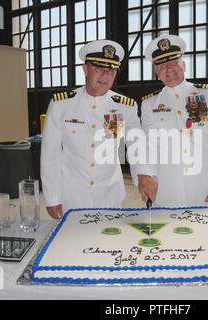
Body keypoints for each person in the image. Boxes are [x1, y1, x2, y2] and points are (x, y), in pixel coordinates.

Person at [41, 40, 157, 219]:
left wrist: (143, 173)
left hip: (110, 196)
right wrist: (52, 196)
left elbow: (136, 142)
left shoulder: (125, 106)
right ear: (85, 69)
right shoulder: (61, 104)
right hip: (72, 196)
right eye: (98, 68)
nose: (105, 75)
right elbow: (51, 154)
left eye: (111, 70)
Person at [141, 34, 208, 207]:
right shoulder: (149, 104)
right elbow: (148, 146)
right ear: (156, 72)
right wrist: (146, 176)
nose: (169, 69)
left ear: (184, 64)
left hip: (204, 188)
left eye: (174, 63)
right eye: (162, 66)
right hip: (167, 189)